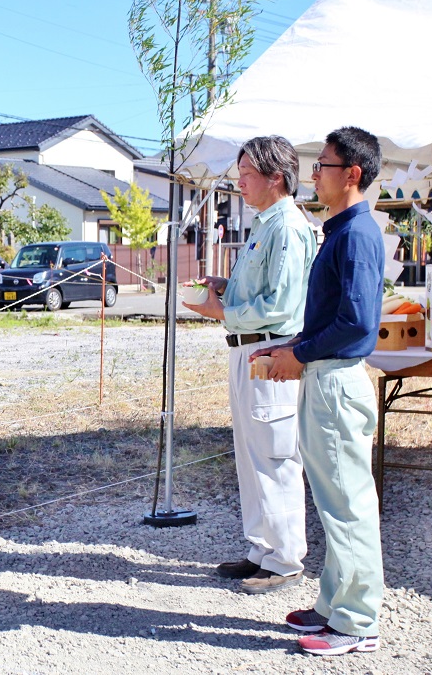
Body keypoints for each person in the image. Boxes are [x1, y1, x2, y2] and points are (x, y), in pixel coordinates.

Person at [250, 126, 385, 656]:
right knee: (334, 502)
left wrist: (297, 354)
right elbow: (333, 316)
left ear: (352, 174)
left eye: (324, 165)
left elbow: (355, 325)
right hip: (325, 376)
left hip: (335, 380)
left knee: (348, 505)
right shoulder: (342, 230)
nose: (315, 174)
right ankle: (335, 605)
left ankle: (356, 622)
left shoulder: (355, 235)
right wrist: (292, 346)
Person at [183, 135, 316, 595]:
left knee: (275, 453)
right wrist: (226, 285)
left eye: (246, 176)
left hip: (271, 350)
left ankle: (284, 558)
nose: (239, 184)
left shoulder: (287, 226)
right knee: (253, 454)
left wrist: (221, 310)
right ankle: (262, 548)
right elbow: (262, 291)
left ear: (276, 178)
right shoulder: (266, 223)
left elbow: (281, 304)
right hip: (249, 348)